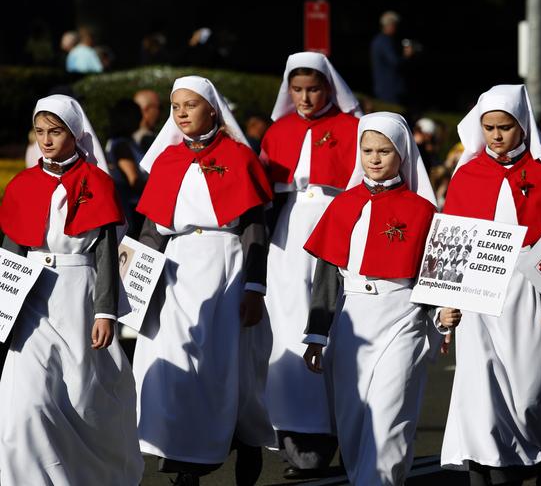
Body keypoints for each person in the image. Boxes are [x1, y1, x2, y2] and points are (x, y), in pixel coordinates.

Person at [440, 84, 541, 486]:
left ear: (522, 127)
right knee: (482, 389)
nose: (496, 135)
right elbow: (450, 241)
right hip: (478, 291)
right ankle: (488, 468)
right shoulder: (467, 174)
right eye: (489, 127)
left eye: (505, 127)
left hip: (531, 287)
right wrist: (445, 303)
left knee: (530, 391)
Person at [302, 111, 460, 485]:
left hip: (402, 317)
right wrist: (316, 333)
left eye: (384, 151)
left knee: (390, 418)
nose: (374, 158)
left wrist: (440, 317)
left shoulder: (423, 210)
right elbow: (326, 274)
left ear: (402, 153)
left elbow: (433, 278)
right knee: (354, 421)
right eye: (367, 150)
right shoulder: (342, 204)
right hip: (352, 319)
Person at [132, 75, 274, 486]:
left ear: (212, 109)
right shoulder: (168, 161)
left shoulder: (239, 157)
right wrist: (138, 286)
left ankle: (244, 442)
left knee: (226, 367)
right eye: (175, 106)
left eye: (190, 105)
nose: (181, 113)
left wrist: (254, 287)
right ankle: (182, 461)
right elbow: (152, 229)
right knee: (174, 364)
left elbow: (254, 229)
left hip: (224, 267)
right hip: (175, 272)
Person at [0, 94, 143, 485]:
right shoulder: (23, 184)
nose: (46, 140)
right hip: (32, 301)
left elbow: (106, 256)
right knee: (23, 404)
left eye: (56, 131)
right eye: (40, 131)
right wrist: (4, 309)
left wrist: (105, 311)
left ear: (75, 133)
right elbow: (11, 251)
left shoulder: (98, 182)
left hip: (79, 297)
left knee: (82, 400)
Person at [260, 51, 361, 479]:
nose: (304, 97)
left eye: (313, 89)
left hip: (339, 221)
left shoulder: (353, 129)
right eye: (297, 90)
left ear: (329, 88)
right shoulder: (278, 131)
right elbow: (267, 194)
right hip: (289, 233)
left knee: (340, 328)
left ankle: (345, 433)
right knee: (288, 328)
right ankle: (299, 442)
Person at [105, 98, 147, 239]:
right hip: (133, 210)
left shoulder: (124, 142)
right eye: (136, 114)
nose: (141, 118)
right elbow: (133, 180)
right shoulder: (122, 145)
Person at [370, 11, 412, 104]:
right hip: (390, 89)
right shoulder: (385, 41)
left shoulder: (378, 40)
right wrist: (407, 56)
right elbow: (395, 62)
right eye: (396, 25)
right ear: (390, 25)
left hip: (383, 87)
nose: (397, 28)